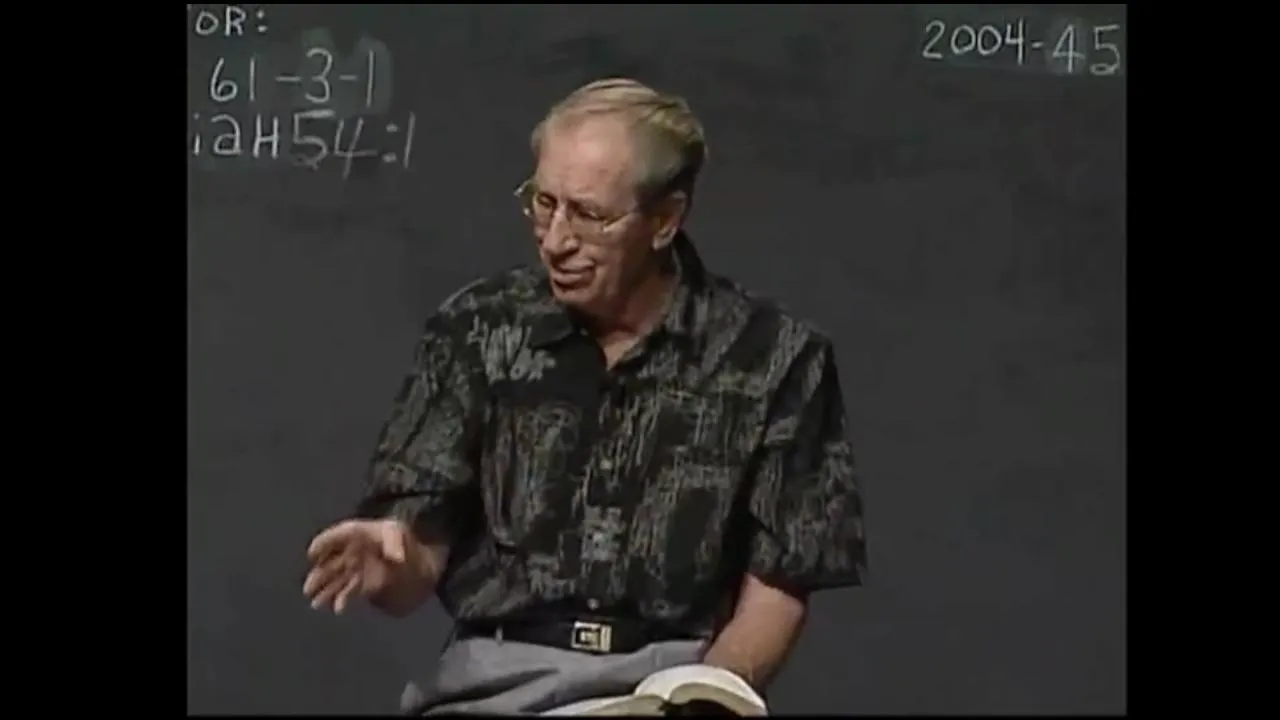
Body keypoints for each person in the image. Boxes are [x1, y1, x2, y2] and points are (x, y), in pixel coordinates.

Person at [302, 78, 867, 715]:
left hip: (666, 685)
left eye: (589, 216)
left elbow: (780, 583)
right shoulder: (478, 330)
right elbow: (416, 563)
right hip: (491, 688)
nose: (555, 240)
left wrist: (712, 692)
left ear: (665, 220)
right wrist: (390, 567)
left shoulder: (774, 357)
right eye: (543, 204)